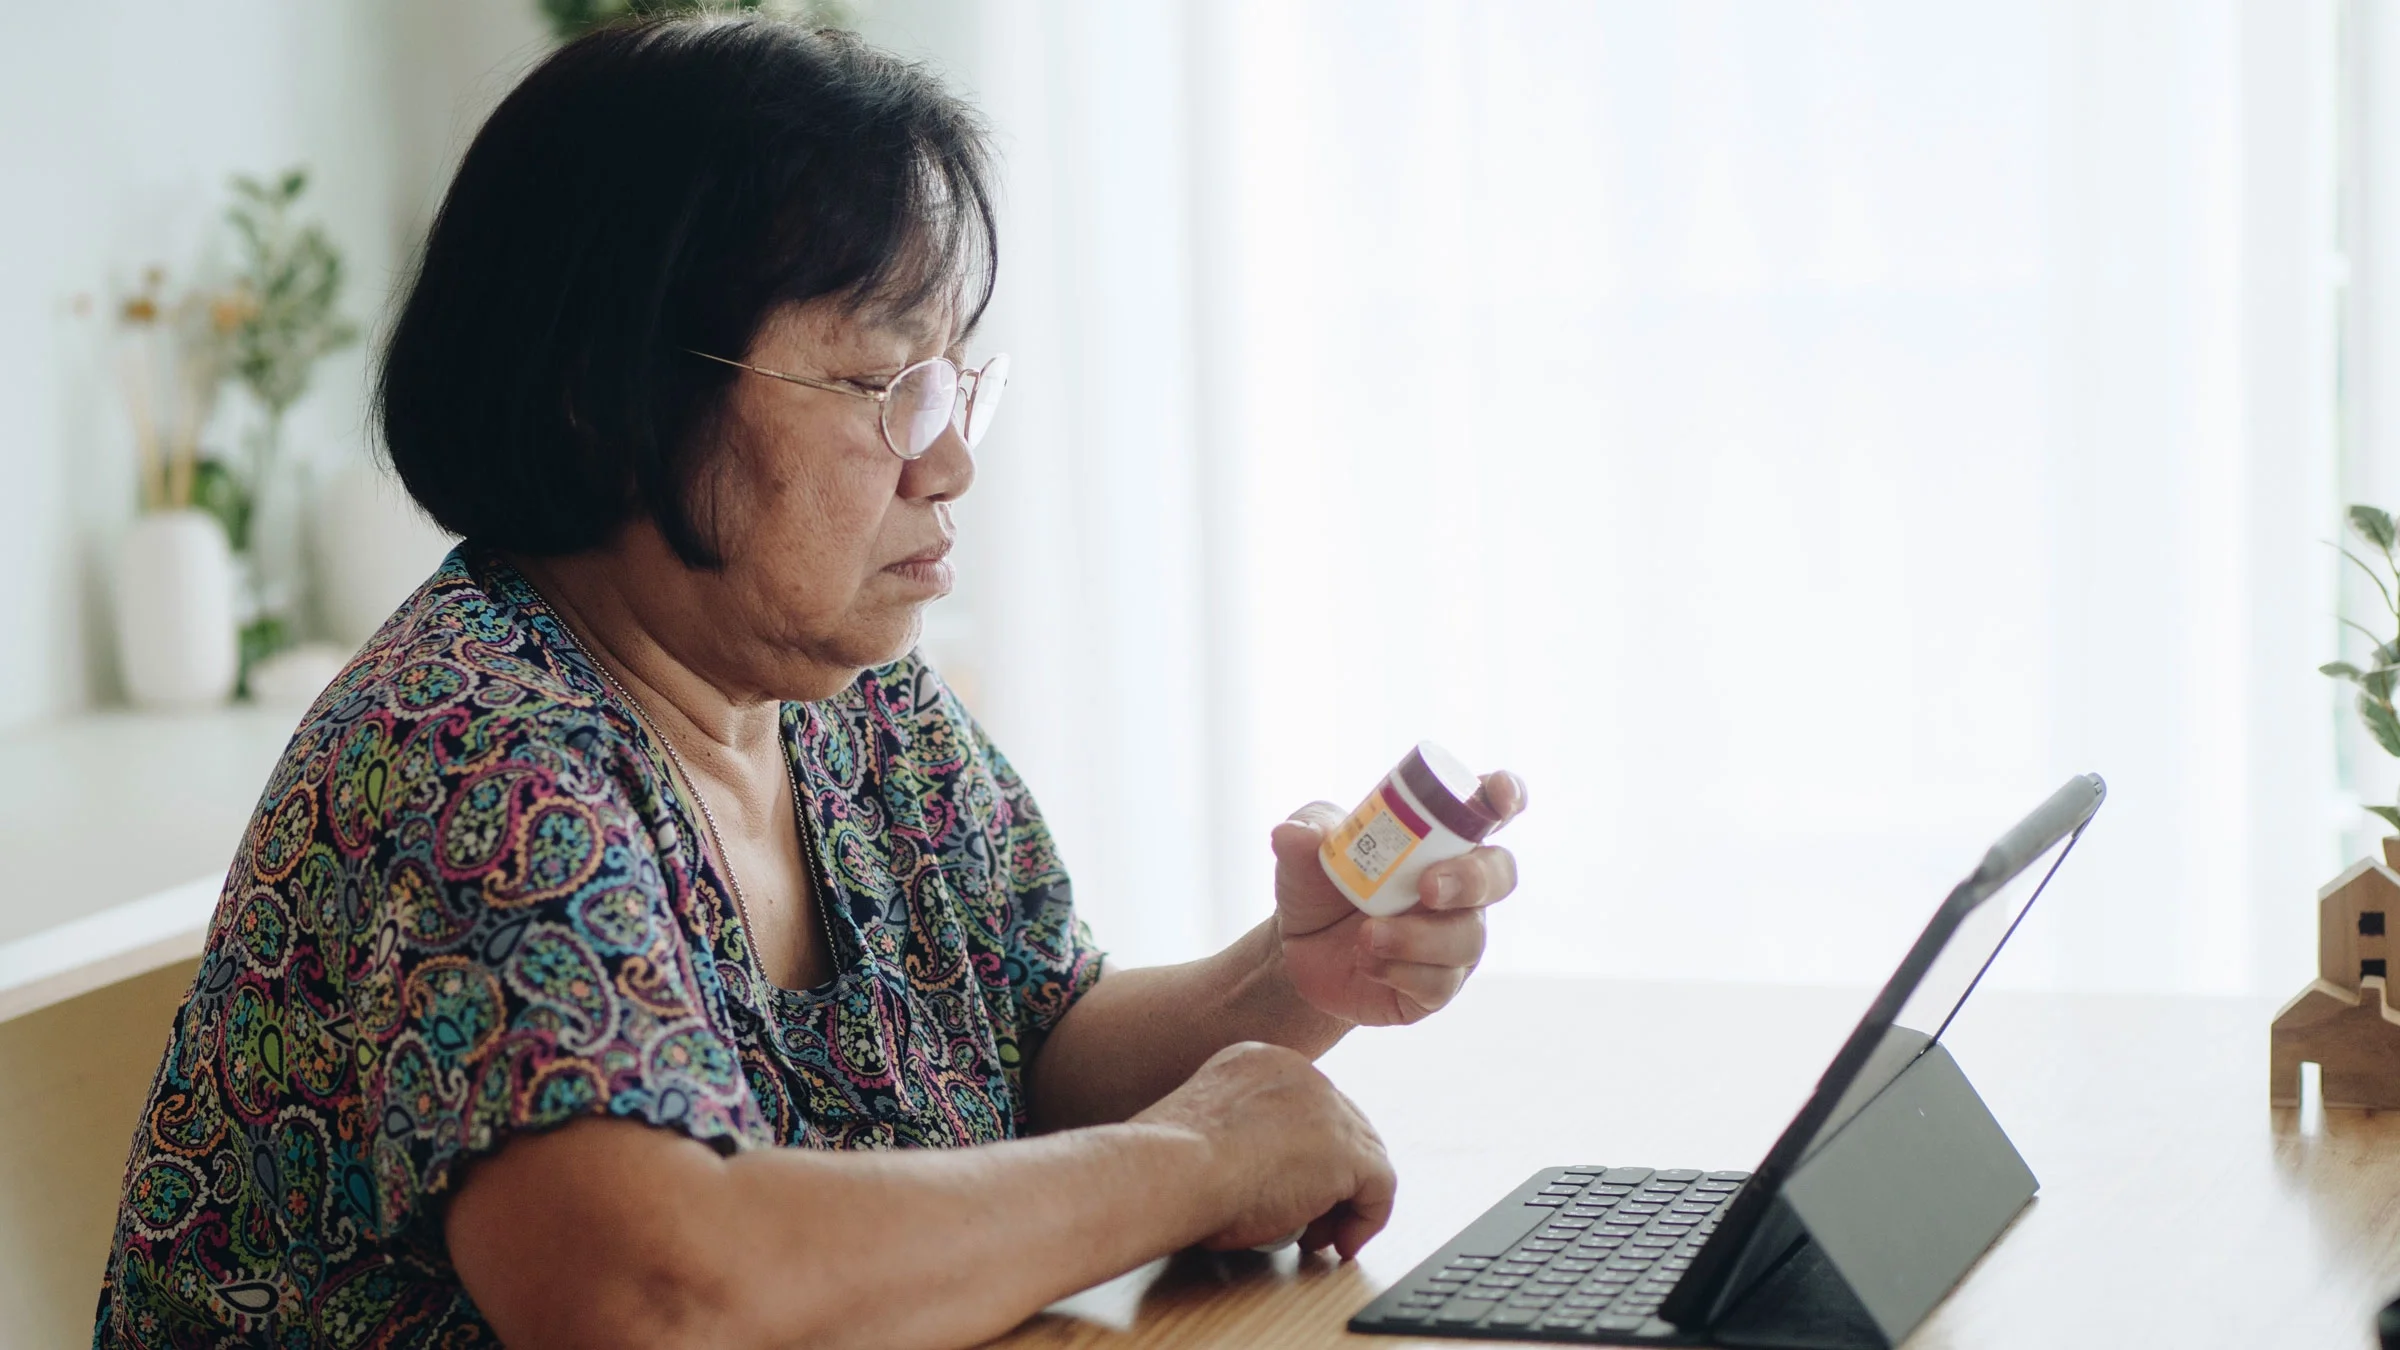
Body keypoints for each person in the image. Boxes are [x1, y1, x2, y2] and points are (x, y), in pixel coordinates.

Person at [93, 16, 1524, 1349]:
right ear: (613, 396)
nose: (951, 457)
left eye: (961, 381)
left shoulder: (852, 702)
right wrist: (1199, 1159)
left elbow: (1033, 1051)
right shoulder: (475, 754)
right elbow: (655, 1292)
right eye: (883, 385)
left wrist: (1289, 977)